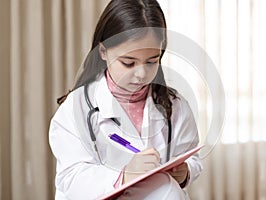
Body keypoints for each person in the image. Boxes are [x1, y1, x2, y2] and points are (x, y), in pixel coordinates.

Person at [49, 0, 202, 199]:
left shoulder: (175, 105)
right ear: (103, 51)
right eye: (129, 63)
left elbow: (192, 157)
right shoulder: (76, 109)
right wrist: (124, 175)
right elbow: (70, 178)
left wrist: (185, 172)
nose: (141, 74)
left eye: (151, 61)